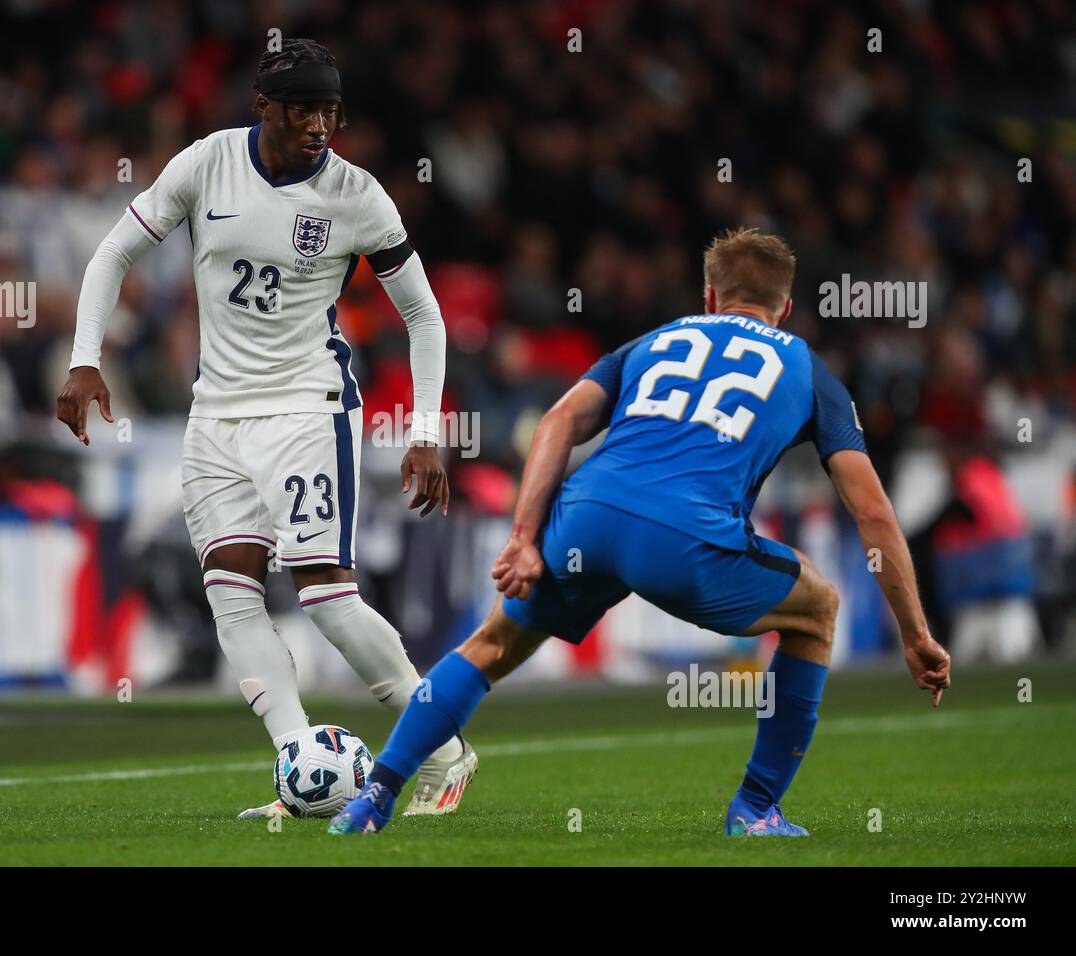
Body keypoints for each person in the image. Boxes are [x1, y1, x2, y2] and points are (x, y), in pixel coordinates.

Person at [331, 227, 951, 837]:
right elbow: (872, 513)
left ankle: (373, 800)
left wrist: (524, 535)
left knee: (490, 646)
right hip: (684, 540)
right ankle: (756, 808)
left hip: (589, 517)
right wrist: (916, 633)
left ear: (708, 297)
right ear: (785, 309)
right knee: (817, 607)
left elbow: (557, 422)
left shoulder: (653, 340)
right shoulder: (810, 371)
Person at [57, 39, 476, 819]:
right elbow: (113, 253)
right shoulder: (206, 163)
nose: (321, 124)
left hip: (306, 409)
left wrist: (424, 427)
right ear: (265, 109)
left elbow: (423, 312)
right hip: (214, 415)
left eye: (331, 111)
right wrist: (87, 360)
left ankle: (447, 752)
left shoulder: (357, 195)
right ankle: (299, 769)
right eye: (305, 109)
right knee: (232, 593)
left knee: (325, 597)